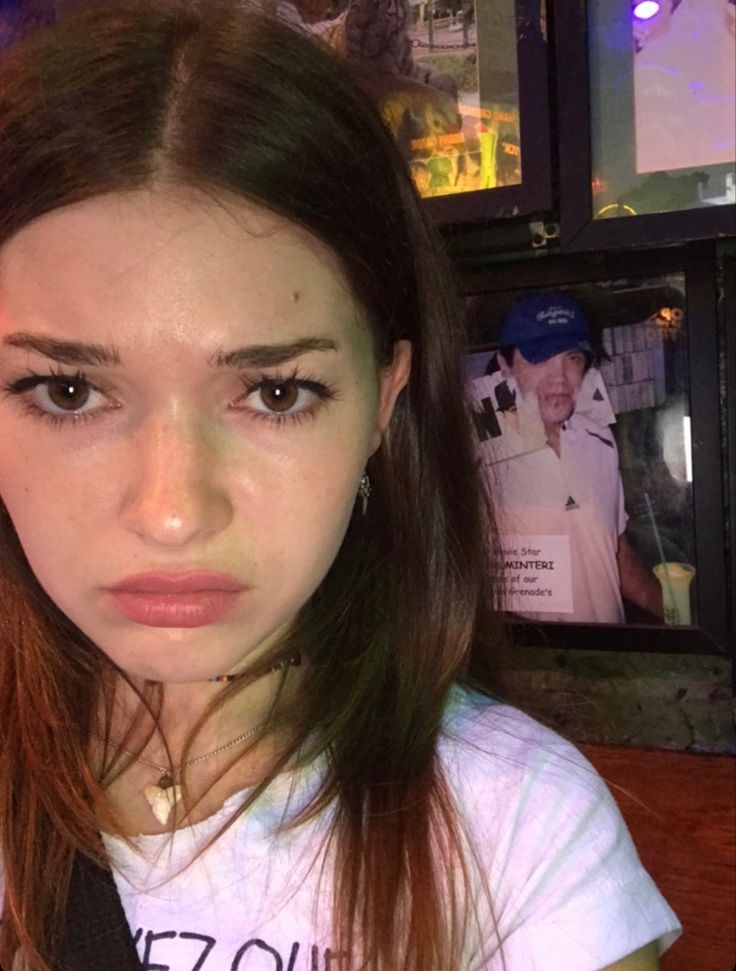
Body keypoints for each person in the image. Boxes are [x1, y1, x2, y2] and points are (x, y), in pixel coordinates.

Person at [0, 4, 680, 971]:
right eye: (68, 391)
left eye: (275, 391)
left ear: (380, 403)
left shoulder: (518, 841)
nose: (171, 511)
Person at [474, 292, 663, 623]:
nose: (559, 377)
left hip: (613, 659)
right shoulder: (474, 455)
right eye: (539, 358)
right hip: (530, 665)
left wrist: (674, 609)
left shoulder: (599, 440)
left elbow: (612, 552)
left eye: (572, 358)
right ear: (505, 365)